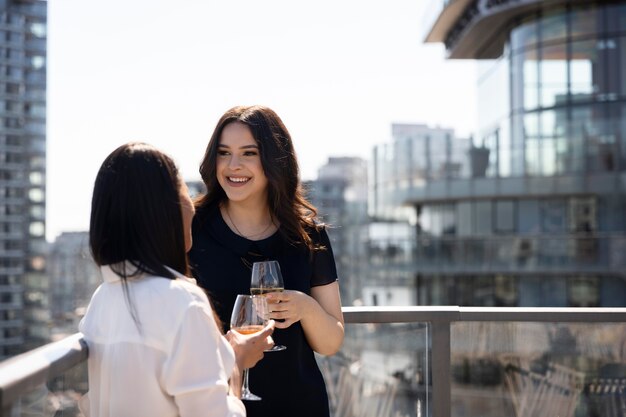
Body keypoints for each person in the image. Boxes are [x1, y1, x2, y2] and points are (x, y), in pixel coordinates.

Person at [80, 142, 274, 417]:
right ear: (163, 211)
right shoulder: (182, 303)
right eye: (183, 190)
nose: (192, 202)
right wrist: (236, 364)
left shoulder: (103, 297)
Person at [189, 105, 345, 417]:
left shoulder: (308, 236)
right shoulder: (191, 230)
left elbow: (331, 342)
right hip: (217, 407)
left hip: (300, 406)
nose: (233, 165)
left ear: (274, 160)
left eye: (248, 153)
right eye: (223, 153)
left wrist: (305, 308)